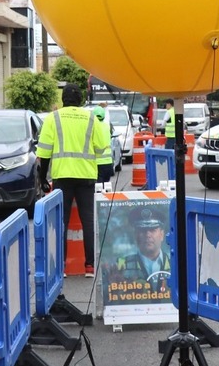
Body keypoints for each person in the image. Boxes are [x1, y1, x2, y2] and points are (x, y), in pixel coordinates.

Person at [37, 84, 112, 277]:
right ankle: (89, 267)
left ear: (63, 99)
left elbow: (44, 152)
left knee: (62, 222)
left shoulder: (53, 118)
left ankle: (61, 267)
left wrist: (42, 178)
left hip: (62, 176)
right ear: (81, 100)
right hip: (86, 176)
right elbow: (101, 147)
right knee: (88, 220)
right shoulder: (91, 118)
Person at [112, 205, 171, 293]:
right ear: (135, 235)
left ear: (162, 234)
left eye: (153, 230)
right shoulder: (121, 265)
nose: (148, 235)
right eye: (143, 230)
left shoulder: (174, 263)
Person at [93, 105, 115, 183]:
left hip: (97, 164)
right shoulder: (107, 126)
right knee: (106, 187)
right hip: (108, 163)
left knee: (98, 189)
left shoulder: (93, 127)